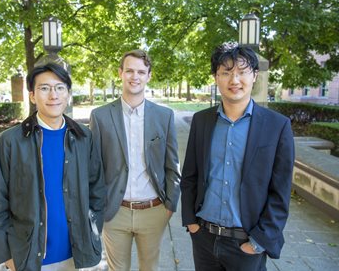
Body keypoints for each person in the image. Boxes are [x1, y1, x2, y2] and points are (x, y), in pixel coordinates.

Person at [181, 43, 295, 271]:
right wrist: (191, 223)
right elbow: (190, 176)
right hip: (204, 238)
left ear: (254, 76)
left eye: (242, 72)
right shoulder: (202, 121)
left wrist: (258, 242)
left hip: (247, 243)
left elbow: (280, 193)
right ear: (215, 77)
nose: (234, 80)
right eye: (226, 72)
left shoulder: (277, 126)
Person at [0, 62, 105, 271]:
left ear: (68, 94)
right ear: (32, 95)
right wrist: (6, 255)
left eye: (59, 88)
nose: (53, 95)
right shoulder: (11, 141)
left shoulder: (84, 137)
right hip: (28, 257)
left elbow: (97, 192)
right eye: (44, 88)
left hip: (77, 255)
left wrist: (92, 231)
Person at [89, 49, 180, 271]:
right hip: (114, 212)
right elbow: (94, 168)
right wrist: (97, 208)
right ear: (120, 73)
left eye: (141, 71)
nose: (135, 76)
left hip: (154, 210)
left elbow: (172, 165)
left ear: (149, 75)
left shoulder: (164, 116)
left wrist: (170, 206)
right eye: (129, 70)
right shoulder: (100, 116)